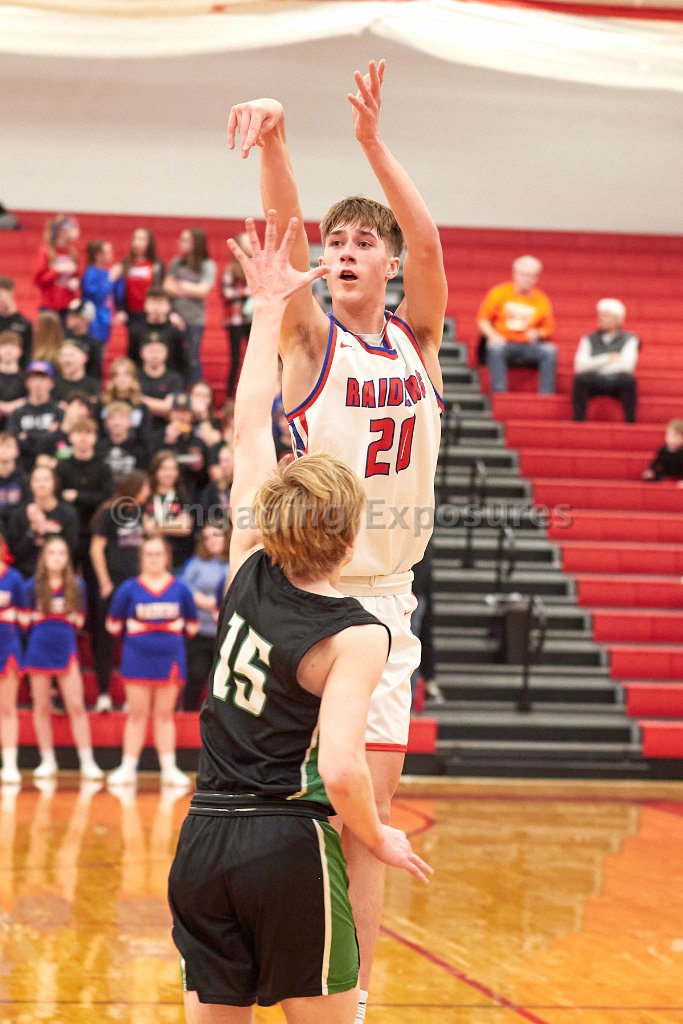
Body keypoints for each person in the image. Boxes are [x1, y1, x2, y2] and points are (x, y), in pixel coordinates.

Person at [168, 212, 431, 1023]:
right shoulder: (354, 635)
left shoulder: (243, 566)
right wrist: (377, 837)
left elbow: (249, 423)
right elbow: (345, 770)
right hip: (286, 845)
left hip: (201, 838)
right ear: (349, 537)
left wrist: (263, 311)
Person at [228, 60, 445, 1019]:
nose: (345, 252)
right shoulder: (313, 341)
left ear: (389, 263)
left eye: (364, 242)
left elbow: (430, 240)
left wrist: (370, 143)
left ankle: (348, 1001)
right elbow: (282, 238)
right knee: (281, 809)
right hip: (308, 597)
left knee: (367, 824)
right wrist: (276, 141)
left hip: (386, 607)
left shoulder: (418, 339)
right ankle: (247, 973)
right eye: (337, 242)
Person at [105, 534, 198, 787]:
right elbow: (112, 625)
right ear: (141, 558)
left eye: (158, 554)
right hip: (136, 658)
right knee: (136, 714)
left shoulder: (181, 589)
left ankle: (169, 769)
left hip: (171, 659)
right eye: (149, 554)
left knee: (165, 715)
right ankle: (127, 768)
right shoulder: (128, 588)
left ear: (167, 557)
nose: (154, 559)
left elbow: (192, 626)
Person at [21, 536, 103, 780]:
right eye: (52, 553)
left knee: (76, 706)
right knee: (41, 707)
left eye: (62, 553)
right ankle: (47, 760)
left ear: (67, 559)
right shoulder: (31, 586)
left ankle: (87, 761)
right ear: (43, 558)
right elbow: (24, 621)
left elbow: (79, 620)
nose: (57, 558)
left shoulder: (77, 586)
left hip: (66, 649)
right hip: (38, 650)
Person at [89, 470, 150, 713]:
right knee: (105, 641)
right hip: (113, 583)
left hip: (135, 584)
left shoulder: (139, 512)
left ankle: (131, 697)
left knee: (134, 640)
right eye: (145, 487)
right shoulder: (109, 512)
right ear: (134, 488)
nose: (148, 492)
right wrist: (104, 581)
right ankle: (104, 694)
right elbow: (96, 549)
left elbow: (145, 542)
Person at [478, 255, 557, 394]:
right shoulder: (499, 293)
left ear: (536, 278)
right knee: (495, 348)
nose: (527, 279)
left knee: (550, 351)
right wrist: (493, 335)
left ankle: (546, 394)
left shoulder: (541, 299)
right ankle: (499, 393)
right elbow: (483, 320)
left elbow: (548, 328)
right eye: (524, 275)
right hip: (504, 342)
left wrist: (538, 333)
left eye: (531, 276)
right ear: (515, 274)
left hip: (528, 345)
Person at [178, 523, 230, 711]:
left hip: (226, 633)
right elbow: (182, 587)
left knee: (224, 680)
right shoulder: (195, 563)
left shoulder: (234, 562)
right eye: (207, 537)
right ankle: (188, 714)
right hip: (200, 631)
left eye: (216, 535)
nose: (212, 541)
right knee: (196, 674)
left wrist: (221, 605)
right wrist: (202, 600)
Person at [5, 463, 79, 577]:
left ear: (55, 483)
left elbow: (72, 548)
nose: (41, 484)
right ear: (30, 484)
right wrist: (33, 530)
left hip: (59, 574)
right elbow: (14, 552)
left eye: (46, 479)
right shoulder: (19, 515)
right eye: (37, 480)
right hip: (26, 574)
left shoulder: (68, 513)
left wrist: (45, 530)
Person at [572, 298, 639, 423]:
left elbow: (627, 366)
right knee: (580, 380)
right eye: (600, 315)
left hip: (617, 381)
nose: (601, 319)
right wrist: (608, 358)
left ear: (618, 319)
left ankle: (630, 422)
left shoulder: (630, 339)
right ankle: (578, 420)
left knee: (629, 381)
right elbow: (580, 366)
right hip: (593, 380)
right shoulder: (588, 338)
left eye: (606, 316)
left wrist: (593, 365)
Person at [163, 229, 217, 384]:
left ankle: (195, 390)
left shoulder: (207, 265)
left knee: (191, 358)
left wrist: (179, 285)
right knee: (173, 358)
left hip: (194, 319)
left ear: (196, 243)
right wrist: (189, 288)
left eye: (185, 240)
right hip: (175, 317)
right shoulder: (176, 262)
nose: (180, 243)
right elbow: (166, 286)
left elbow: (203, 290)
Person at [7, 360, 63, 471]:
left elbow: (61, 442)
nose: (38, 383)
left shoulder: (59, 412)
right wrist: (49, 435)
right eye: (33, 379)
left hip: (51, 466)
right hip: (22, 468)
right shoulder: (17, 413)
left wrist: (27, 436)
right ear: (26, 383)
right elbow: (13, 442)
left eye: (42, 378)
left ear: (51, 383)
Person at [143, 450, 195, 569]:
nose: (169, 473)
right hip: (149, 558)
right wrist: (173, 525)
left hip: (178, 560)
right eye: (164, 469)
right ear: (155, 471)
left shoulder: (183, 495)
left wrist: (156, 525)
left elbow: (185, 527)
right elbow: (146, 527)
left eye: (173, 469)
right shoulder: (146, 495)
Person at [127, 286, 190, 382]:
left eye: (160, 303)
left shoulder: (175, 332)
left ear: (169, 306)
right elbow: (131, 359)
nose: (156, 307)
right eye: (153, 303)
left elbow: (182, 361)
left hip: (170, 382)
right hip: (141, 381)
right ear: (145, 305)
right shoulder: (136, 330)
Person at [114, 226, 165, 340]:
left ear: (149, 243)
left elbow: (160, 289)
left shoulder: (157, 265)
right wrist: (120, 310)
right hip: (131, 313)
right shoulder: (125, 264)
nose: (137, 243)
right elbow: (119, 291)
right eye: (135, 239)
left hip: (150, 313)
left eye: (142, 239)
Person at [0, 530, 23, 783]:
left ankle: (9, 764)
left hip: (7, 646)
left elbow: (25, 618)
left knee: (7, 708)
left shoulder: (14, 578)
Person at [81, 239, 122, 372]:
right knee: (94, 354)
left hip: (105, 318)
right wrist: (111, 279)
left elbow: (118, 295)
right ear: (98, 255)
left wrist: (119, 278)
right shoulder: (90, 273)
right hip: (94, 320)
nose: (111, 254)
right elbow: (98, 296)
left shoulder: (107, 272)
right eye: (107, 252)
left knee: (101, 353)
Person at [220, 232, 252, 397]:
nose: (250, 244)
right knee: (235, 358)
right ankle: (230, 395)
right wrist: (244, 292)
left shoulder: (256, 266)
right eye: (246, 242)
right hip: (235, 319)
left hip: (252, 318)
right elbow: (226, 292)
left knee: (254, 357)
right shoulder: (230, 269)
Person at [33, 214, 80, 318]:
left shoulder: (72, 252)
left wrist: (75, 282)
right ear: (61, 231)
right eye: (71, 228)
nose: (75, 231)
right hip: (49, 305)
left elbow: (76, 275)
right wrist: (57, 271)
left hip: (67, 305)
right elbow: (39, 280)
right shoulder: (45, 251)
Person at [98, 401, 149, 480]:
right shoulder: (99, 448)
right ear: (106, 423)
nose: (116, 423)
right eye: (112, 418)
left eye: (122, 418)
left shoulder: (140, 448)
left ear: (130, 422)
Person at [0, 276, 33, 367]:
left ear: (11, 293)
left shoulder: (24, 323)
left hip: (17, 370)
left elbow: (28, 353)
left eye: (2, 295)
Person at [642, 419, 683, 483]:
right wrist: (651, 470)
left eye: (675, 436)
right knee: (649, 477)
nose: (671, 438)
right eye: (668, 435)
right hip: (664, 474)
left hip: (679, 476)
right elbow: (656, 462)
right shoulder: (663, 449)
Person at [0, 330, 27, 428]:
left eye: (13, 345)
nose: (8, 349)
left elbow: (31, 400)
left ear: (20, 351)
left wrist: (11, 407)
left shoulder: (27, 378)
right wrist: (5, 407)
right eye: (4, 345)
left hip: (19, 427)